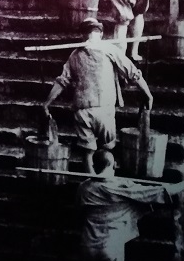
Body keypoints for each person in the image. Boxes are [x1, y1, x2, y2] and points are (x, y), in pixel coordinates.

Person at [43, 17, 154, 174]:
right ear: (100, 34)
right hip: (103, 109)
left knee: (87, 152)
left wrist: (47, 103)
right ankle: (104, 181)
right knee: (107, 147)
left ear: (83, 35)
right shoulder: (108, 49)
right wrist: (147, 94)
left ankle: (91, 183)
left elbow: (62, 81)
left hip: (83, 110)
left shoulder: (75, 55)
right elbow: (133, 73)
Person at [77, 149, 184, 261]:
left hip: (87, 245)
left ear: (94, 166)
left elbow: (80, 211)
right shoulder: (122, 186)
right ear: (113, 165)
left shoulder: (84, 187)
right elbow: (160, 191)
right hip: (110, 246)